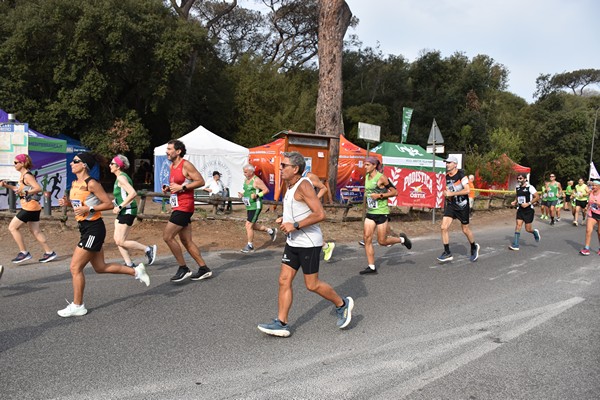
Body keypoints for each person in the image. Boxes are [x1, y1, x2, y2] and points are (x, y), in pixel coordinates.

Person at [257, 152, 353, 337]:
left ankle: (342, 304)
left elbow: (320, 214)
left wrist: (295, 225)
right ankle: (282, 323)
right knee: (284, 280)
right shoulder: (290, 185)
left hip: (308, 243)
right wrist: (285, 219)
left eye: (284, 165)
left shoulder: (304, 185)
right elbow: (298, 210)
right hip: (293, 242)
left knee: (312, 285)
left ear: (295, 169)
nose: (281, 168)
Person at [57, 152, 149, 317]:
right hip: (84, 227)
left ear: (84, 165)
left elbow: (108, 204)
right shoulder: (75, 183)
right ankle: (136, 271)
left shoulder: (91, 183)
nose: (71, 164)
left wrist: (89, 209)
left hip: (94, 229)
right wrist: (68, 203)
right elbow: (81, 205)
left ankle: (78, 305)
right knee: (100, 267)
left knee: (75, 267)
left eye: (75, 161)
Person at [162, 140, 213, 282]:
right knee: (186, 240)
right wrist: (170, 188)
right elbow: (178, 184)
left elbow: (200, 181)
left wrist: (182, 188)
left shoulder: (186, 164)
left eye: (169, 149)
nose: (167, 151)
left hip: (184, 207)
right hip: (178, 205)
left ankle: (183, 268)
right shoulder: (172, 166)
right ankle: (203, 268)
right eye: (167, 149)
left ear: (178, 151)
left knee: (167, 236)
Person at [0, 154, 57, 264]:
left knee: (12, 228)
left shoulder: (27, 175)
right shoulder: (23, 176)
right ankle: (49, 252)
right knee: (35, 231)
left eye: (16, 162)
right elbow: (18, 190)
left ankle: (24, 252)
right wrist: (6, 186)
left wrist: (26, 192)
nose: (14, 165)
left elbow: (38, 188)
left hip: (29, 207)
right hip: (33, 207)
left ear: (22, 163)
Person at [360, 156, 412, 275]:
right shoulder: (367, 177)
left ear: (374, 166)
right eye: (365, 164)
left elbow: (395, 192)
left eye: (367, 165)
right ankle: (371, 266)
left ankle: (402, 240)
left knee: (382, 241)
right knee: (367, 238)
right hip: (371, 212)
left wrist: (379, 196)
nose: (365, 167)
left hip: (381, 212)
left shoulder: (382, 178)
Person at [110, 154, 157, 268]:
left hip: (128, 211)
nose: (109, 165)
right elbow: (124, 194)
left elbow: (133, 193)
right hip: (123, 211)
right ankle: (129, 263)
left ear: (118, 166)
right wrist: (116, 202)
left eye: (112, 163)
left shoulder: (121, 177)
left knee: (121, 240)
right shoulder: (120, 177)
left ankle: (148, 249)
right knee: (117, 239)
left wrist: (120, 206)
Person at [437, 156, 480, 262]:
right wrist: (446, 193)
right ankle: (447, 252)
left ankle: (474, 246)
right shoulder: (446, 177)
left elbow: (467, 190)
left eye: (449, 162)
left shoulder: (461, 175)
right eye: (446, 163)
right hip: (451, 205)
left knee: (465, 229)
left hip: (462, 206)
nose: (447, 164)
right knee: (443, 227)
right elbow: (448, 191)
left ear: (455, 164)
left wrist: (453, 193)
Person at [238, 164, 277, 253]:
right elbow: (247, 191)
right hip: (249, 205)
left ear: (251, 172)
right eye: (244, 172)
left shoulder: (257, 180)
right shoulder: (246, 180)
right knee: (253, 225)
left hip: (256, 206)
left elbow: (266, 190)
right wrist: (242, 194)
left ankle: (250, 245)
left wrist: (257, 195)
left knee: (248, 225)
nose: (244, 174)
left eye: (246, 172)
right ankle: (271, 231)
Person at [304, 171, 335, 261]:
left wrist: (314, 200)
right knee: (305, 229)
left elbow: (324, 188)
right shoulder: (292, 177)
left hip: (309, 207)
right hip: (301, 205)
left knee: (306, 228)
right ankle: (325, 246)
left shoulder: (310, 176)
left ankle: (325, 246)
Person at [509, 173, 541, 251]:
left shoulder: (530, 187)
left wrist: (528, 203)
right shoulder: (517, 188)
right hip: (520, 209)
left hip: (529, 210)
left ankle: (534, 232)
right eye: (518, 178)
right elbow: (518, 196)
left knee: (528, 229)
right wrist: (515, 201)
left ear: (525, 179)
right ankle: (516, 245)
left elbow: (537, 197)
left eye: (520, 178)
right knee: (518, 225)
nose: (519, 180)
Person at [579, 179, 600, 255]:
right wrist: (586, 207)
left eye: (595, 185)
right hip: (592, 213)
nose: (593, 187)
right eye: (593, 185)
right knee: (588, 230)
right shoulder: (591, 193)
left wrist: (598, 203)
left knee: (599, 232)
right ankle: (586, 248)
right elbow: (590, 202)